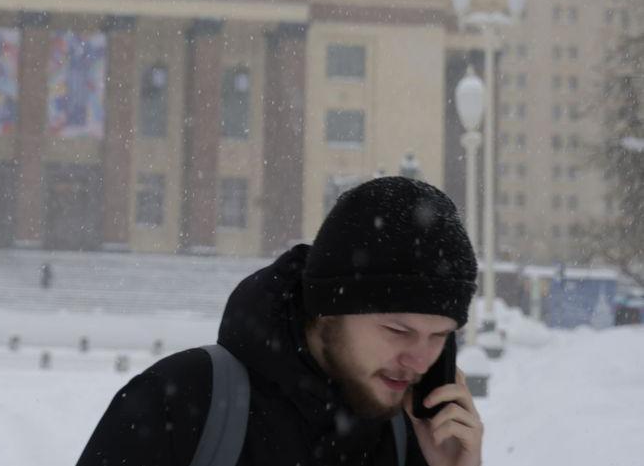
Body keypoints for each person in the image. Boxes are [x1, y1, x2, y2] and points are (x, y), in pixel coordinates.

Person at [76, 177, 483, 466]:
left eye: (440, 336)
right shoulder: (182, 403)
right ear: (328, 310)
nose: (419, 361)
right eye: (397, 330)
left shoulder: (415, 438)